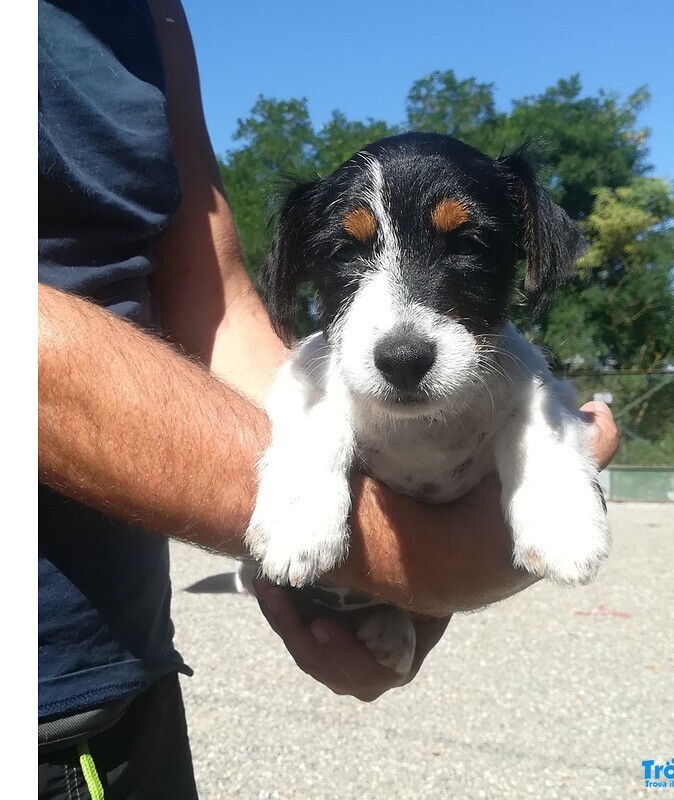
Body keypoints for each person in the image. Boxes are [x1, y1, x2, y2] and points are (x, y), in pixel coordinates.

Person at [37, 0, 619, 797]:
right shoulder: (322, 373)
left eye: (467, 242)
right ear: (303, 272)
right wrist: (434, 568)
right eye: (348, 255)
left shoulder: (149, 16)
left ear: (530, 251)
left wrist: (545, 481)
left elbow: (222, 313)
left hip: (132, 671)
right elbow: (301, 402)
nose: (403, 328)